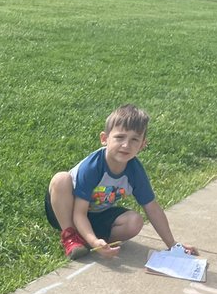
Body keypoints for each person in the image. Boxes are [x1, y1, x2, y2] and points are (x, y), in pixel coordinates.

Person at [44, 105, 195, 261]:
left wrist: (173, 245)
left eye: (134, 139)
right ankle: (71, 237)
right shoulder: (93, 166)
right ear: (104, 139)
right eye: (120, 137)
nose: (126, 145)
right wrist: (93, 240)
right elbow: (79, 213)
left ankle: (92, 241)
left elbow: (152, 208)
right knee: (61, 179)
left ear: (142, 145)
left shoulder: (135, 172)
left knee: (134, 222)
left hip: (96, 214)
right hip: (67, 210)